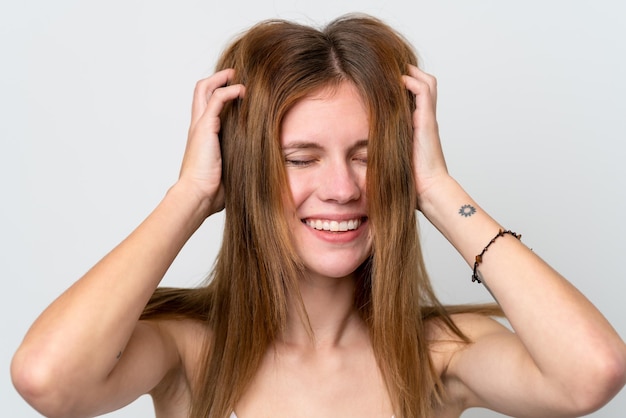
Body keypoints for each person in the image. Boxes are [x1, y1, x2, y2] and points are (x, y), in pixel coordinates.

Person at [11, 13, 626, 418]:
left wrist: (437, 189)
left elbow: (591, 373)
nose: (341, 188)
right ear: (249, 170)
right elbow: (47, 378)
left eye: (368, 157)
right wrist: (192, 194)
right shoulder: (192, 352)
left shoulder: (435, 355)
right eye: (300, 159)